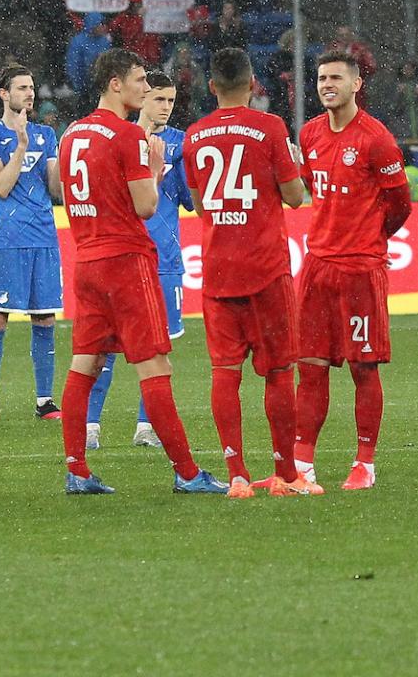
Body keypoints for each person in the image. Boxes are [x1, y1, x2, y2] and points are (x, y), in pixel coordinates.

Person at [55, 48, 226, 495]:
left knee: (85, 363)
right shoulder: (128, 137)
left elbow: (63, 188)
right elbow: (147, 206)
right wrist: (151, 166)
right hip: (127, 262)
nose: (145, 89)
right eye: (138, 81)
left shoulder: (73, 132)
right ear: (115, 83)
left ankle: (77, 469)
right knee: (155, 364)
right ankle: (188, 473)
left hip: (86, 259)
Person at [181, 47, 317, 498]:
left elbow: (201, 207)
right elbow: (295, 197)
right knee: (278, 373)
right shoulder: (270, 127)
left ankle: (236, 476)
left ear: (211, 86)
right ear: (254, 82)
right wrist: (292, 165)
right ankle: (286, 475)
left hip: (218, 270)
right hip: (265, 268)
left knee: (225, 372)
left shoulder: (195, 135)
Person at [293, 50, 413, 491]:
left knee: (364, 368)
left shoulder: (376, 139)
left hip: (361, 269)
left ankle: (365, 463)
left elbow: (401, 204)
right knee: (310, 366)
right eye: (322, 78)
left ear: (356, 84)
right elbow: (309, 187)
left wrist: (370, 238)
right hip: (317, 267)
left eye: (336, 78)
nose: (327, 85)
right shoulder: (309, 134)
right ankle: (302, 464)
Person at [84, 71, 191, 450]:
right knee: (107, 348)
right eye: (158, 98)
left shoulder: (181, 144)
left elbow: (190, 199)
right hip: (122, 258)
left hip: (164, 262)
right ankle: (91, 426)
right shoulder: (120, 139)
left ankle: (146, 427)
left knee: (158, 350)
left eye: (171, 101)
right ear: (142, 97)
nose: (165, 107)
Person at [0, 66, 65, 424]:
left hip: (44, 236)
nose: (29, 93)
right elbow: (0, 186)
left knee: (44, 318)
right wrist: (22, 147)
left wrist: (63, 156)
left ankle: (44, 401)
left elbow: (55, 191)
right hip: (10, 239)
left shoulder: (45, 135)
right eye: (22, 88)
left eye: (32, 87)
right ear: (3, 94)